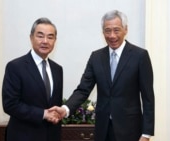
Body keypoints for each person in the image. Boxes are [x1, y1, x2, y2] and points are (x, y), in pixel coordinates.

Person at [50, 10, 155, 141]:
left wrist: (146, 134)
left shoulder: (140, 56)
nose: (112, 35)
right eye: (107, 31)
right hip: (103, 130)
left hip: (130, 130)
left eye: (116, 30)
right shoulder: (96, 57)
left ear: (125, 30)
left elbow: (148, 98)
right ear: (103, 32)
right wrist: (65, 109)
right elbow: (83, 89)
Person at [2, 17, 63, 141]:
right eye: (40, 36)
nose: (45, 41)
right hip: (23, 136)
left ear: (55, 41)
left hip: (51, 136)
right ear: (31, 38)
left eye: (50, 37)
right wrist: (43, 114)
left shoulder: (58, 69)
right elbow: (10, 104)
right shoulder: (15, 67)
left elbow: (54, 105)